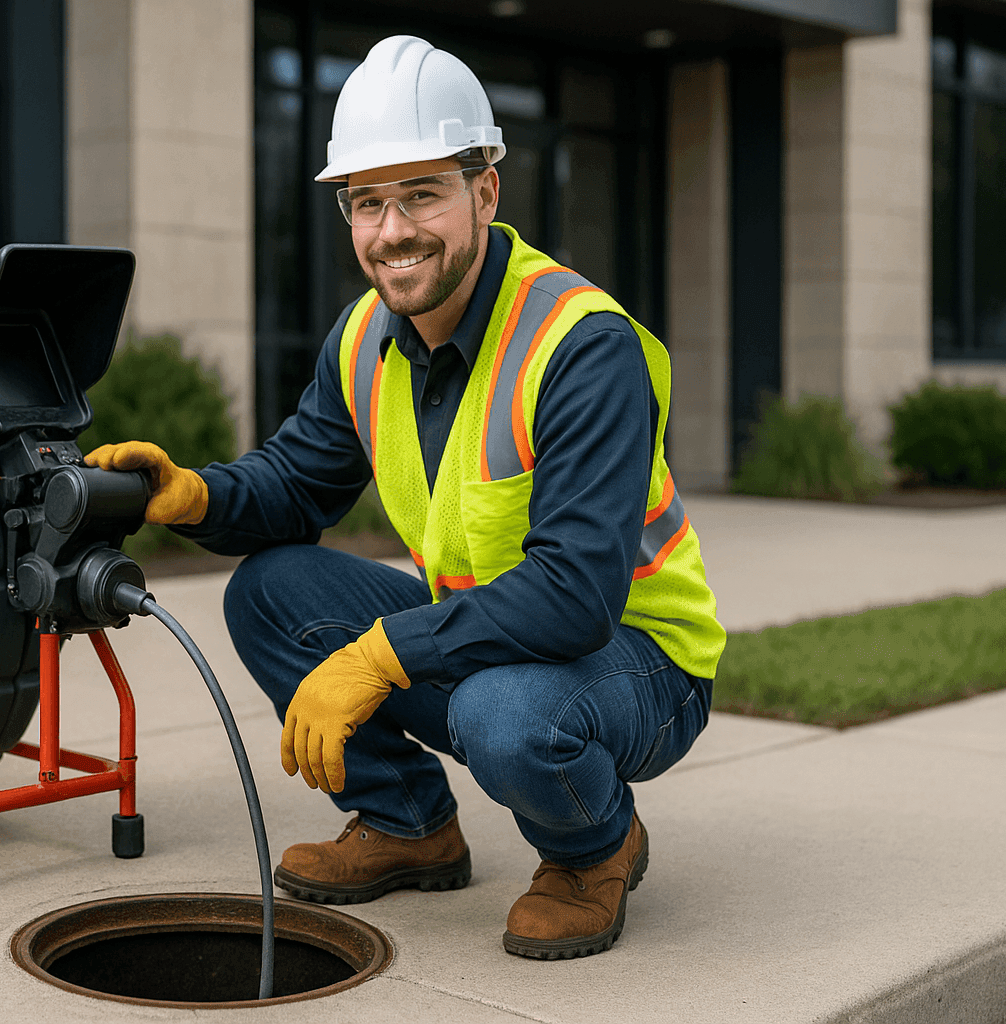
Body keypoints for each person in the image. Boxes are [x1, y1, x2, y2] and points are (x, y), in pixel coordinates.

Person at [86, 34, 725, 960]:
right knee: (271, 591)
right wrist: (190, 496)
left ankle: (594, 848)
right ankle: (407, 824)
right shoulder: (364, 339)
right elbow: (297, 485)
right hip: (489, 633)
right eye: (367, 202)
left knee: (505, 716)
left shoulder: (581, 344)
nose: (393, 232)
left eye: (421, 193)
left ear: (486, 192)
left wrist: (381, 656)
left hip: (641, 659)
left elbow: (579, 594)